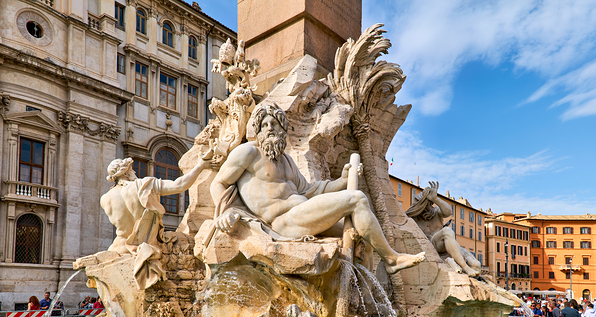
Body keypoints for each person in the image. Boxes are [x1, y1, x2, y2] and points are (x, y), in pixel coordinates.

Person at [210, 103, 426, 275]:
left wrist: (342, 180)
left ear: (283, 129)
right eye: (265, 125)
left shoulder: (286, 161)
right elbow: (218, 183)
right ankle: (391, 258)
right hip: (283, 222)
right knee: (357, 199)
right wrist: (225, 213)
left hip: (302, 213)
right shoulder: (248, 152)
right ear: (257, 130)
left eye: (274, 124)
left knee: (364, 239)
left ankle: (362, 298)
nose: (270, 129)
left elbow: (310, 190)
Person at [100, 153, 209, 290]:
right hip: (147, 249)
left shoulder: (105, 198)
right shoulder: (143, 186)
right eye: (131, 169)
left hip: (119, 250)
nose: (134, 171)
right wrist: (201, 165)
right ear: (126, 173)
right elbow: (180, 185)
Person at [405, 182, 480, 276]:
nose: (428, 207)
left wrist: (435, 199)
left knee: (476, 265)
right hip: (432, 245)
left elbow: (448, 212)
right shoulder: (414, 218)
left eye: (429, 203)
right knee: (447, 231)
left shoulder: (436, 211)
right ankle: (465, 267)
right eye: (425, 204)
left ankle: (462, 265)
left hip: (446, 244)